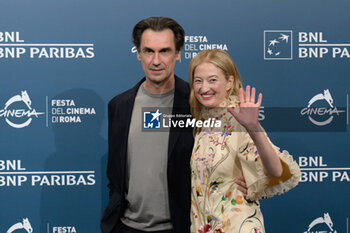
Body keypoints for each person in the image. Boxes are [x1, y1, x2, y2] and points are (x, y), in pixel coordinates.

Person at [101, 17, 248, 233]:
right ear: (139, 54)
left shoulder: (199, 103)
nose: (156, 60)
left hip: (182, 227)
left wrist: (245, 177)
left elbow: (231, 148)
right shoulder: (119, 106)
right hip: (125, 227)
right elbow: (115, 174)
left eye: (165, 51)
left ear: (178, 54)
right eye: (149, 51)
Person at [188, 49, 301, 233]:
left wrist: (253, 128)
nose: (203, 87)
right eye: (198, 80)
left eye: (213, 80)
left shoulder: (239, 118)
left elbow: (276, 170)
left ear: (229, 82)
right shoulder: (203, 123)